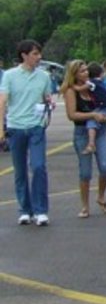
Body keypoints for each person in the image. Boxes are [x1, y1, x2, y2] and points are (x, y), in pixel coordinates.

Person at [0, 40, 54, 226]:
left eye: (39, 54)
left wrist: (49, 103)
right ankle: (25, 209)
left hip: (36, 126)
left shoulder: (44, 76)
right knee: (20, 170)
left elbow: (46, 96)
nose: (38, 57)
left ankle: (41, 210)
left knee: (38, 166)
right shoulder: (9, 75)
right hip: (16, 127)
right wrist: (1, 128)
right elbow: (3, 101)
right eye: (34, 54)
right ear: (24, 55)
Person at [62, 60, 106, 218]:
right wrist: (92, 115)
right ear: (74, 75)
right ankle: (85, 205)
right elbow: (72, 115)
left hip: (101, 130)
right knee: (85, 172)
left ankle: (101, 196)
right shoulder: (71, 91)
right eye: (82, 71)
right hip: (82, 132)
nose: (86, 73)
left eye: (86, 70)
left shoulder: (94, 86)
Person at [73, 61, 106, 155]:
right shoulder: (100, 82)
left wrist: (73, 86)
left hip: (102, 106)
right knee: (102, 120)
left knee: (91, 123)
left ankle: (91, 144)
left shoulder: (92, 82)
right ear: (100, 73)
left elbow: (81, 88)